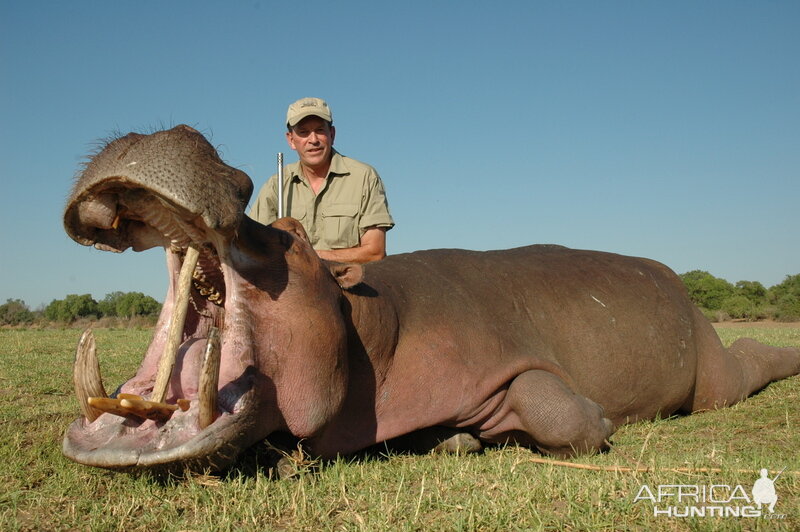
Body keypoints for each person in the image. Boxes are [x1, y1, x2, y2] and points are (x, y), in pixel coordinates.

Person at [249, 97, 394, 263]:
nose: (313, 140)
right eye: (303, 132)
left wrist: (307, 256)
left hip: (347, 284)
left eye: (319, 130)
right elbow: (253, 246)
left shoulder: (364, 177)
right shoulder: (276, 185)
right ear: (291, 140)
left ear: (332, 134)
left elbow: (374, 252)